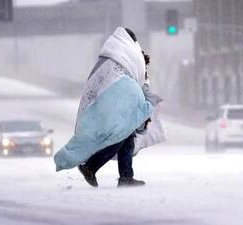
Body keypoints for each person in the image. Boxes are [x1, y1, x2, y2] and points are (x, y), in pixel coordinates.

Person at [54, 27, 164, 187]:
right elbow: (138, 77)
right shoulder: (129, 54)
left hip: (107, 101)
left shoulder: (108, 57)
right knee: (119, 136)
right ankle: (91, 167)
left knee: (126, 136)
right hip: (117, 101)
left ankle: (125, 176)